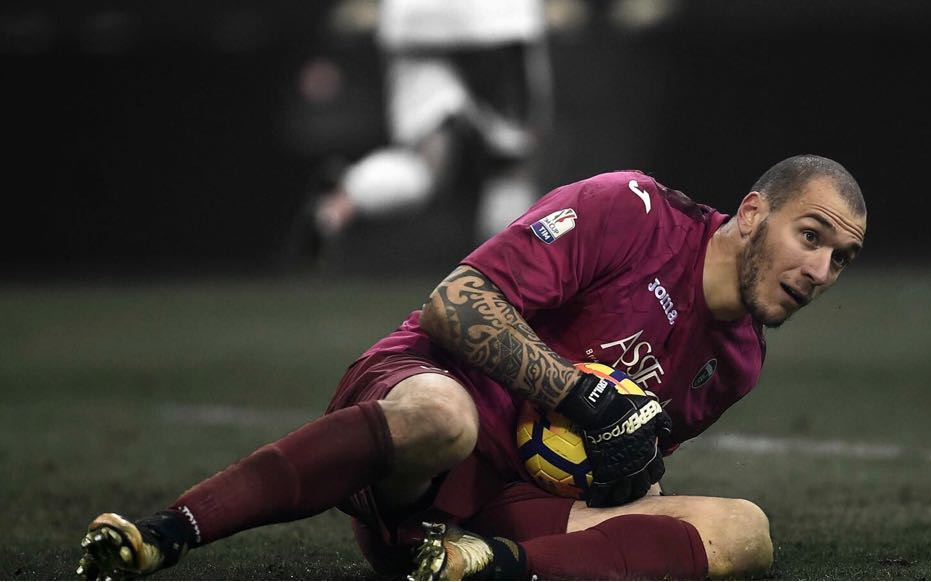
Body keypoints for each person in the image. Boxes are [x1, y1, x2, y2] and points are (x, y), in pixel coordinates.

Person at [77, 154, 867, 580]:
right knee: (443, 418)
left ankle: (489, 569)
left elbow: (604, 465)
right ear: (753, 213)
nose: (820, 271)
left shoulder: (737, 364)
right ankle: (167, 533)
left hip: (494, 511)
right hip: (417, 433)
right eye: (811, 236)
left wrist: (630, 476)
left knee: (744, 531)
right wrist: (579, 395)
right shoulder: (631, 212)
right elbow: (455, 305)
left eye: (841, 259)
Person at [293, 0, 553, 263]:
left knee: (423, 164)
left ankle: (339, 203)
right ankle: (508, 271)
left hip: (415, 18)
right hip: (495, 20)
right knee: (511, 164)